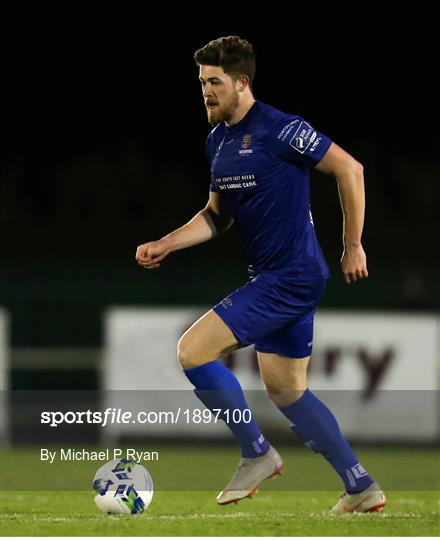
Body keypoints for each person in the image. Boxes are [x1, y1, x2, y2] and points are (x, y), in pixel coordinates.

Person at [135, 36, 386, 514]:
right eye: (201, 82)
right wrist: (166, 242)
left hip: (289, 276)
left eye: (215, 82)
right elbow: (216, 216)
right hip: (279, 275)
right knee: (287, 390)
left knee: (192, 350)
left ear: (242, 82)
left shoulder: (281, 129)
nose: (206, 91)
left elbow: (350, 169)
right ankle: (361, 485)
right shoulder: (218, 140)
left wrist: (352, 243)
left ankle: (256, 453)